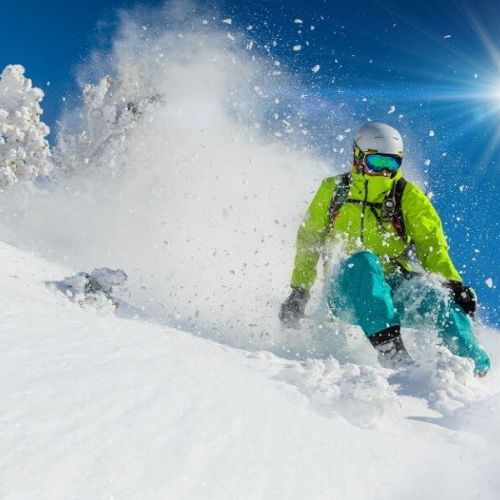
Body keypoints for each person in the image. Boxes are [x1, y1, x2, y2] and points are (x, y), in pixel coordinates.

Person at [280, 122, 490, 376]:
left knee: (438, 297)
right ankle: (392, 350)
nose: (383, 172)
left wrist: (453, 284)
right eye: (376, 163)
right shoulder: (334, 190)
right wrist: (300, 290)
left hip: (393, 289)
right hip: (346, 291)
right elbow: (309, 241)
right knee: (363, 260)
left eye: (391, 165)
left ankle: (474, 369)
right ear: (357, 158)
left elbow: (432, 246)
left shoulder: (407, 196)